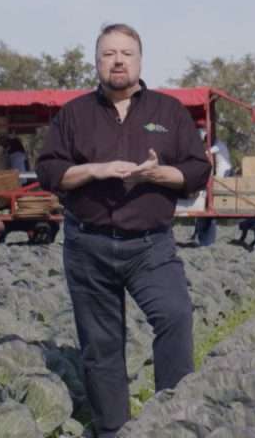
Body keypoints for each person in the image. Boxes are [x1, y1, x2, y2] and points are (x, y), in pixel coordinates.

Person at [36, 23, 210, 437]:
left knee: (175, 317)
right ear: (97, 62)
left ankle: (172, 418)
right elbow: (48, 171)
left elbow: (198, 170)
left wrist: (160, 173)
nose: (118, 61)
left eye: (126, 53)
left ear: (139, 60)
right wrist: (93, 170)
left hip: (150, 246)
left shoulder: (168, 112)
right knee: (101, 345)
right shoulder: (74, 114)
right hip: (88, 244)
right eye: (108, 53)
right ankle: (114, 429)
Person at [191, 129, 230, 247]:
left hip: (224, 171)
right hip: (221, 170)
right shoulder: (217, 144)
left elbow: (207, 153)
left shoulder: (218, 145)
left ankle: (211, 205)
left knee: (211, 195)